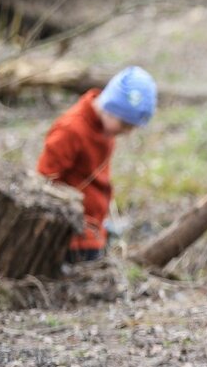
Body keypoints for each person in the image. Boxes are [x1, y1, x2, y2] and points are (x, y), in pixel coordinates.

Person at [37, 65, 157, 263]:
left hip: (93, 231)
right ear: (110, 108)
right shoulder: (71, 130)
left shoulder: (105, 130)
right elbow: (43, 181)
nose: (127, 132)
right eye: (125, 124)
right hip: (71, 237)